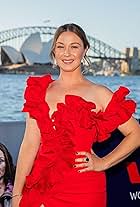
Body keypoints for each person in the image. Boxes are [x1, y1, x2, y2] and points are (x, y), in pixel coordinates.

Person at [12, 23, 140, 207]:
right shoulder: (38, 91)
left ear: (85, 50)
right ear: (54, 51)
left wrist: (103, 162)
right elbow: (29, 145)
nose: (67, 53)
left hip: (84, 189)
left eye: (74, 46)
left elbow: (136, 134)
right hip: (42, 188)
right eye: (61, 46)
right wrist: (17, 194)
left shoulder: (99, 93)